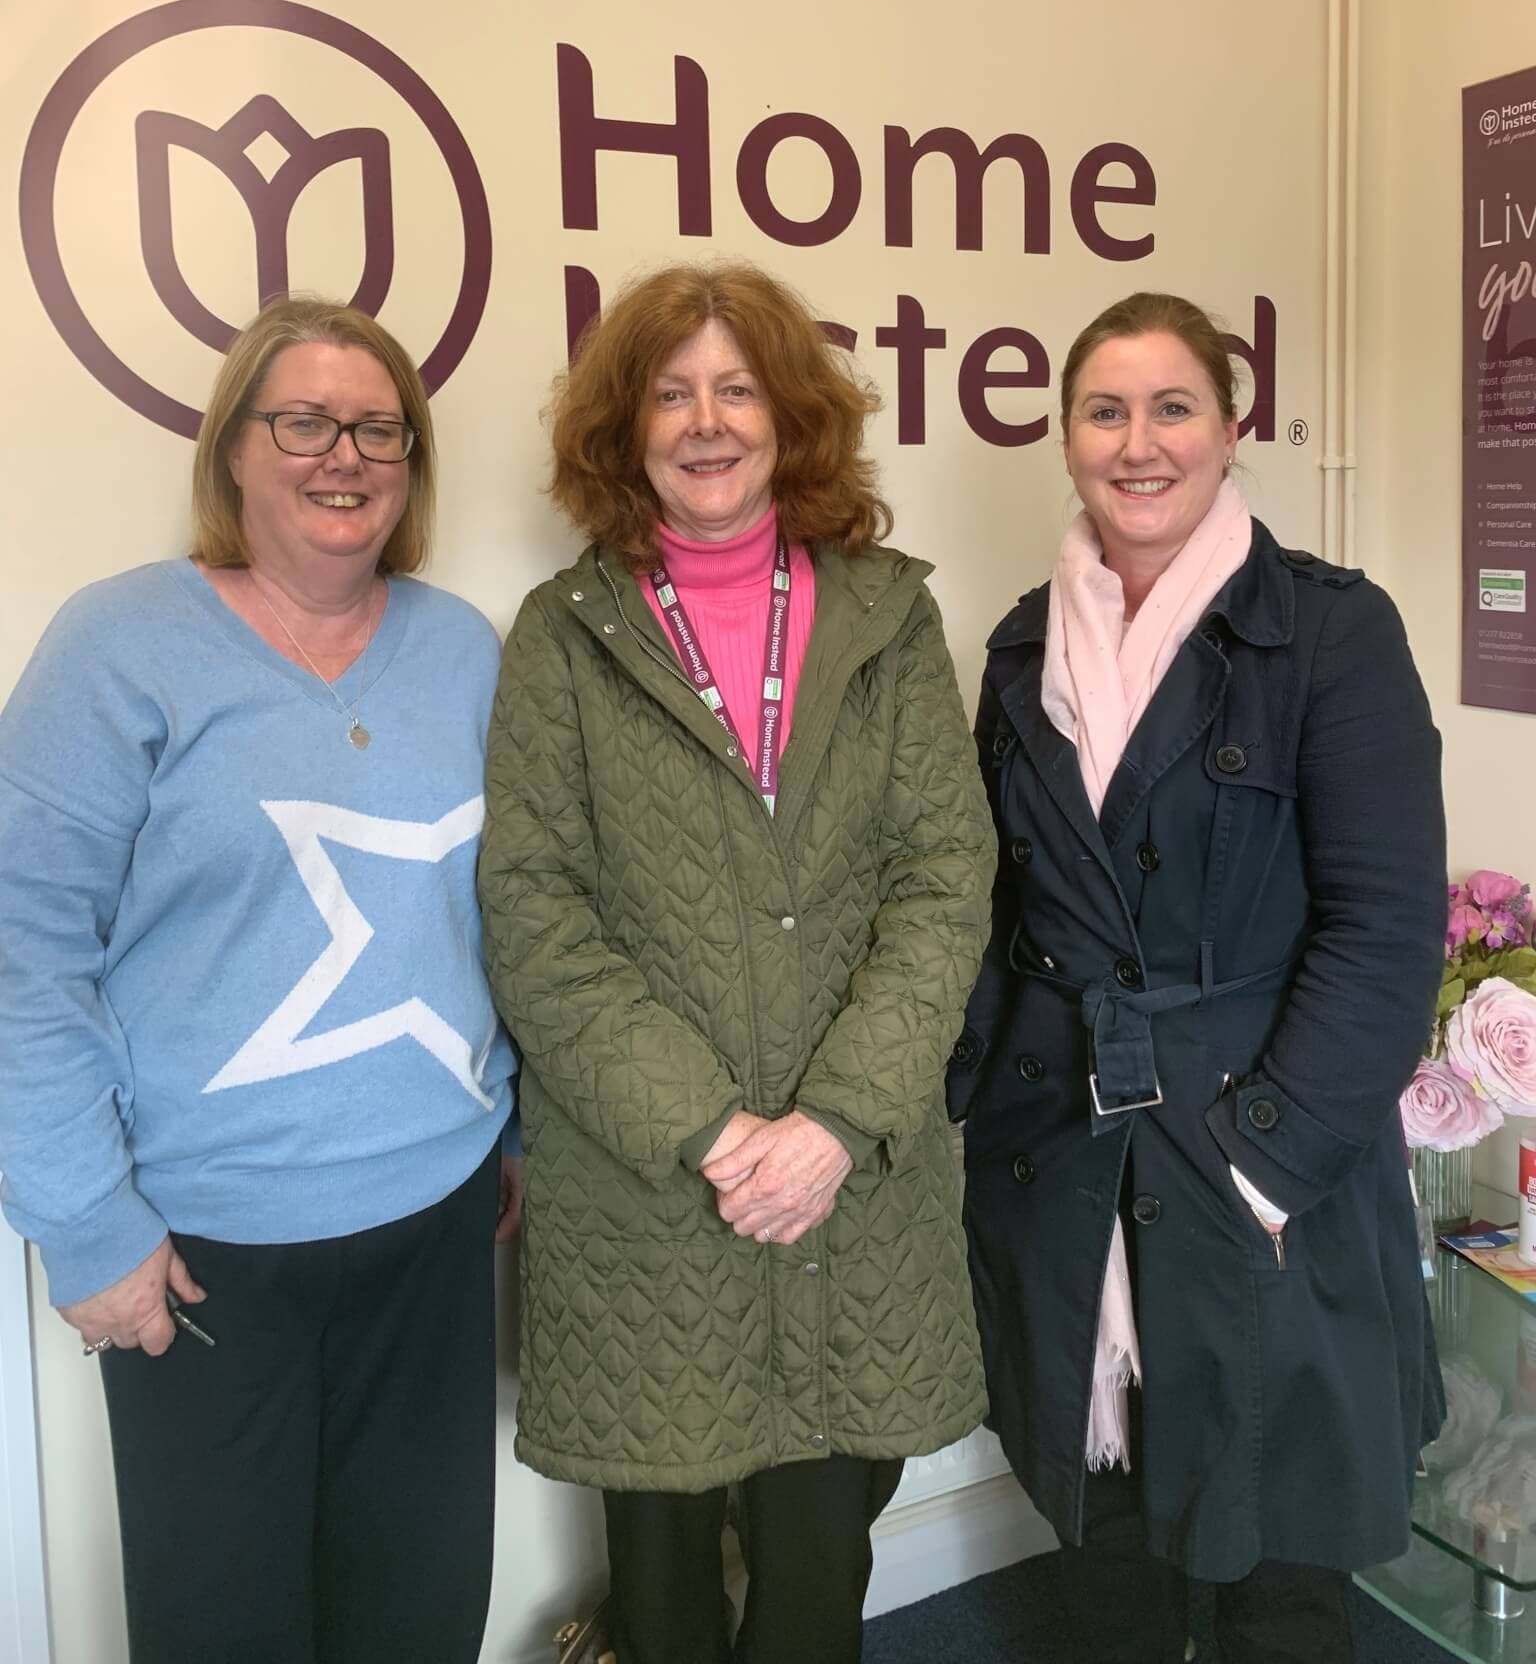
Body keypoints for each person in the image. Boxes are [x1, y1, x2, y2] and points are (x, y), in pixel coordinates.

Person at [478, 260, 991, 1664]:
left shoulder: (890, 616)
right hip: (649, 1198)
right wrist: (715, 1131)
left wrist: (831, 1121)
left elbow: (946, 881)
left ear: (793, 417)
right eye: (671, 392)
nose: (707, 421)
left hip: (852, 1187)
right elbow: (536, 914)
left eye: (739, 387)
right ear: (626, 429)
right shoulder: (562, 641)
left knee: (820, 1582)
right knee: (662, 1599)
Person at [0, 297, 521, 1664]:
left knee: (418, 1617)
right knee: (225, 1630)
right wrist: (81, 1220)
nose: (341, 454)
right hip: (204, 1260)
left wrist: (514, 1126)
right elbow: (21, 942)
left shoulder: (465, 650)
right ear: (234, 448)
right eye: (302, 421)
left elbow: (509, 920)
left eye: (377, 429)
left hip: (438, 1224)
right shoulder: (120, 646)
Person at [949, 291, 1445, 1664]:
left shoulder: (1332, 636)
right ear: (1066, 438)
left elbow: (1385, 930)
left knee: (1282, 1560)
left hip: (1259, 1150)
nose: (1139, 441)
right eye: (1105, 410)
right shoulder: (1017, 651)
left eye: (1174, 406)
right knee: (1105, 1543)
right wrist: (970, 1105)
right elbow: (996, 910)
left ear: (1232, 428)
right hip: (1067, 1159)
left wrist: (1265, 1161)